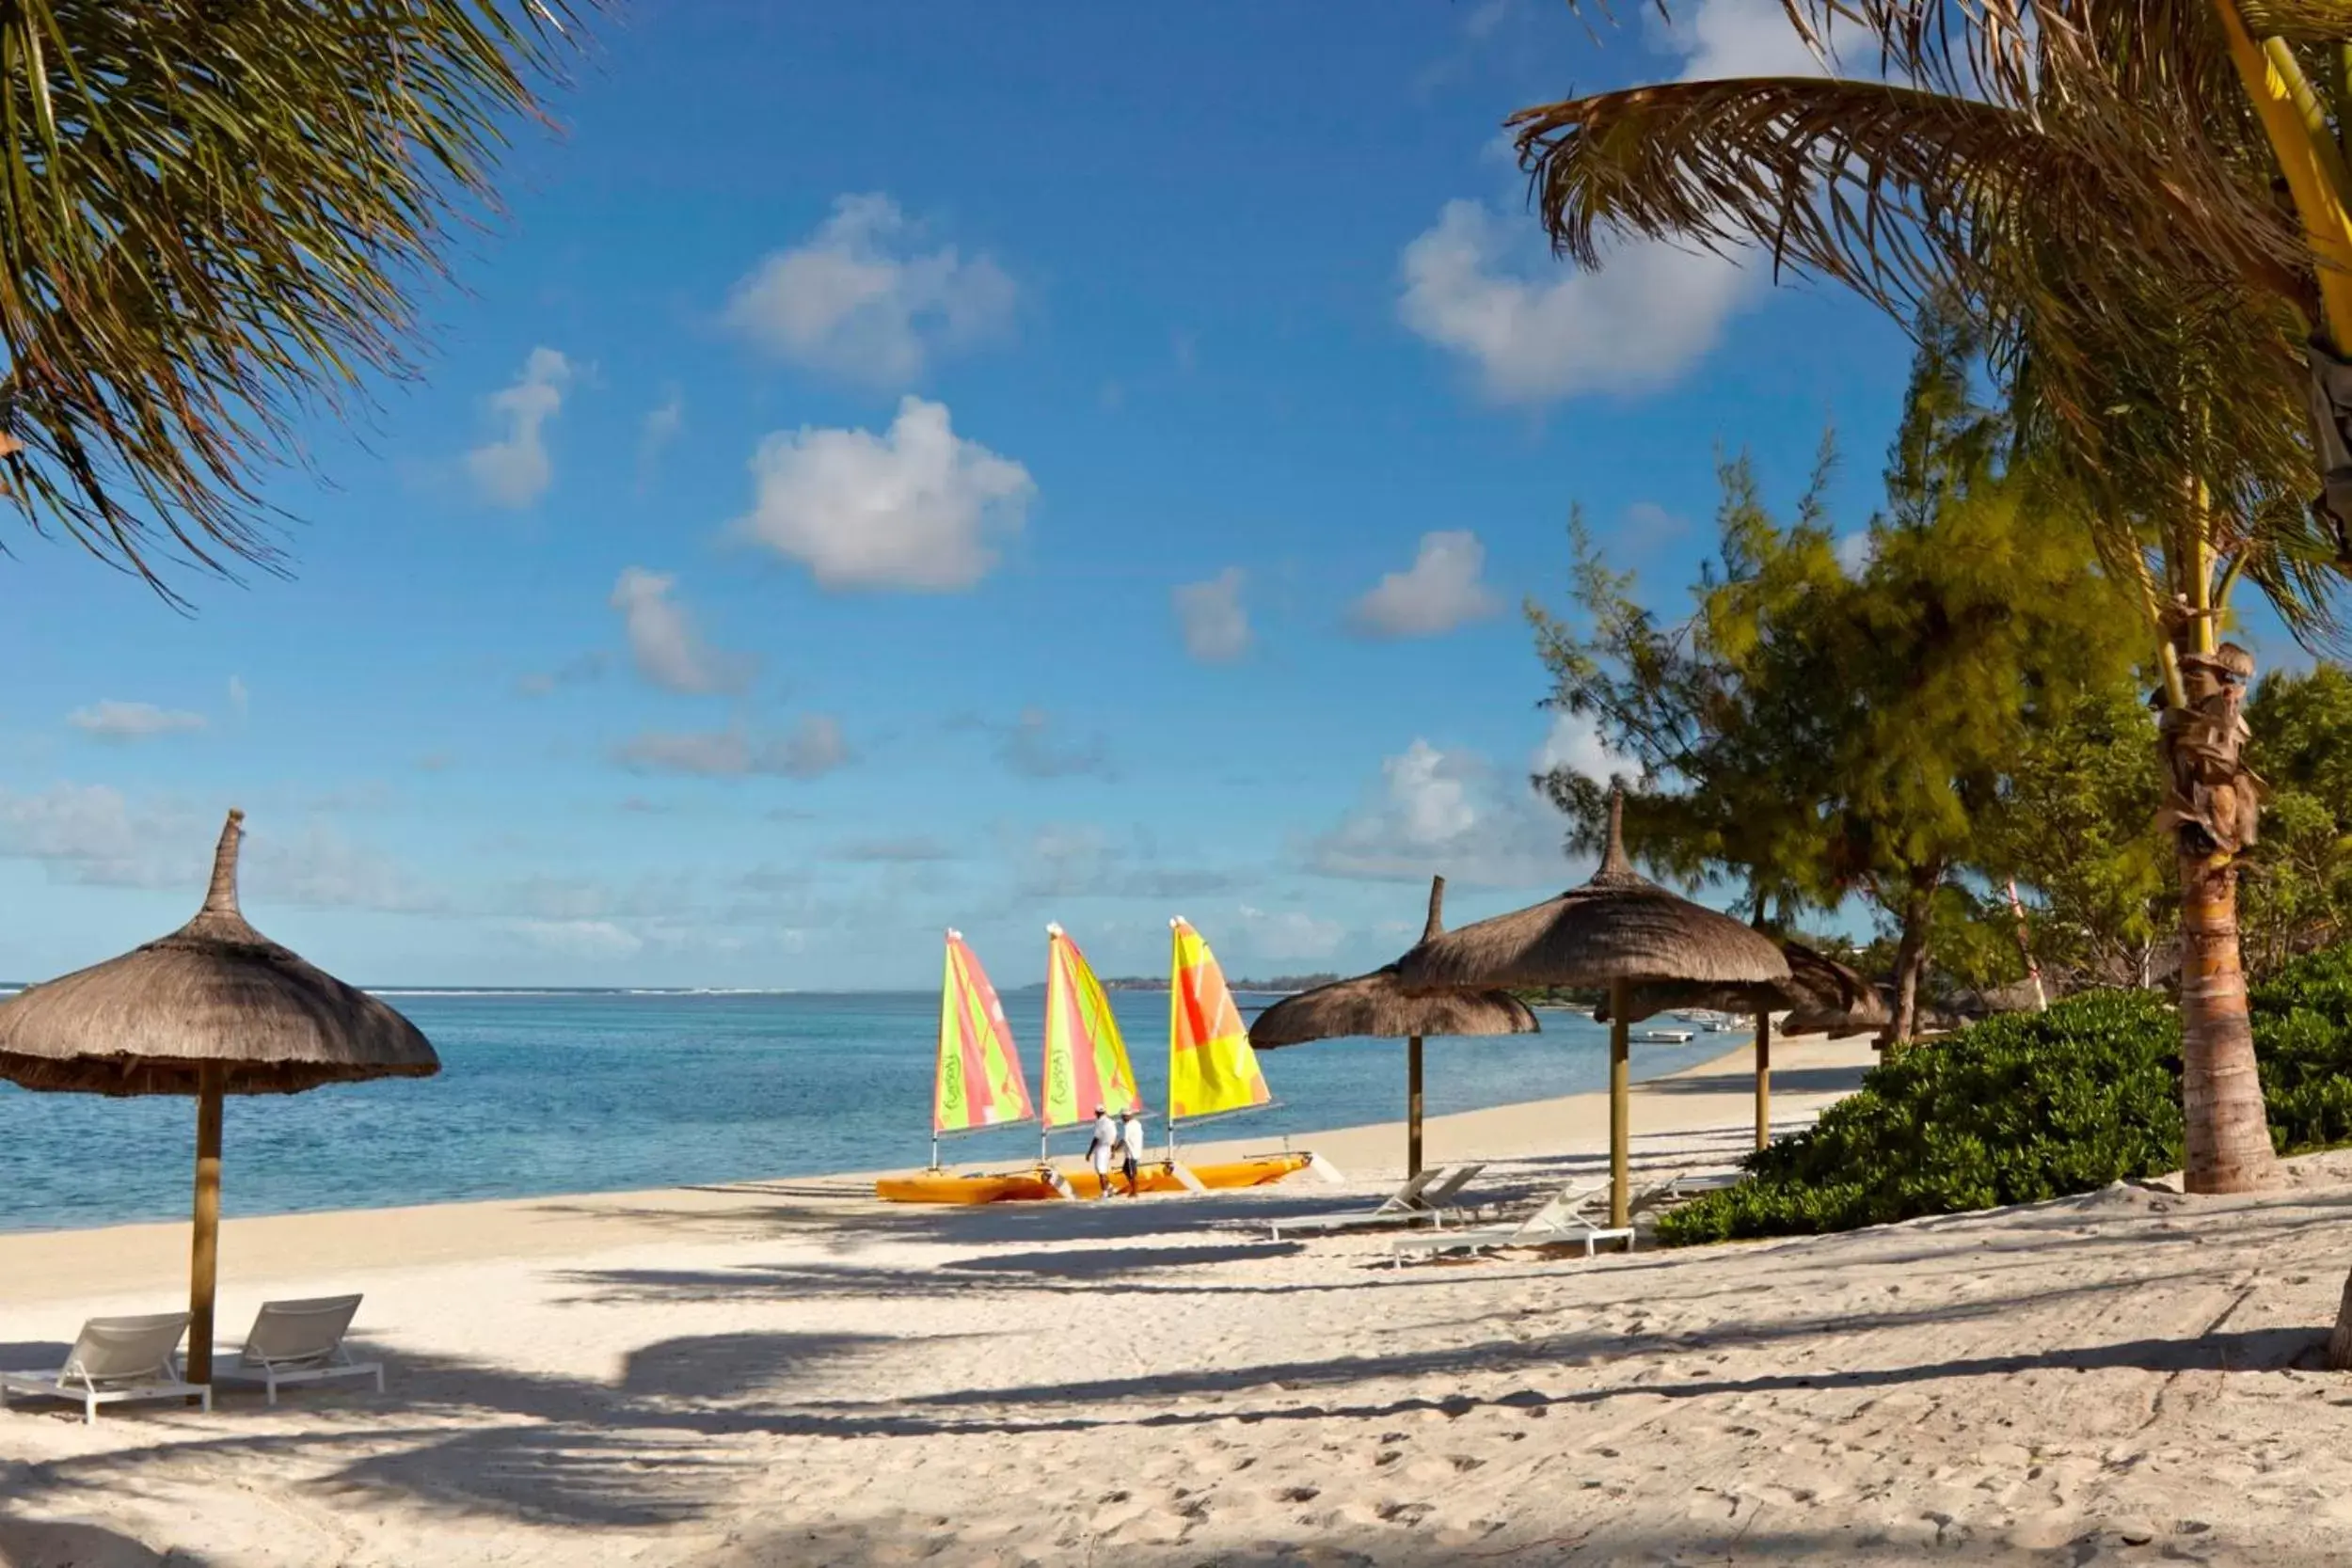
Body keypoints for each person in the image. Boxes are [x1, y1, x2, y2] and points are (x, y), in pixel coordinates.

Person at [1087, 1104, 1117, 1199]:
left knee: (1101, 1172)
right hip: (1108, 1148)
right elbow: (1114, 1137)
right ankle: (1111, 1188)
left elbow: (1096, 1138)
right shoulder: (1111, 1122)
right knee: (1102, 1170)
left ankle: (1105, 1194)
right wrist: (1113, 1151)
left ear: (1096, 1113)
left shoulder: (1100, 1122)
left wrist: (1089, 1152)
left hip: (1101, 1148)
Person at [1120, 1109, 1145, 1196]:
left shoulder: (1128, 1126)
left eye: (1123, 1117)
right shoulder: (1137, 1123)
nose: (1122, 1119)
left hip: (1131, 1153)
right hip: (1136, 1150)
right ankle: (1133, 1188)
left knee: (1131, 1172)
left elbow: (1125, 1139)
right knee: (1126, 1169)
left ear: (1127, 1116)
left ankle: (1134, 1191)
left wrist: (1115, 1149)